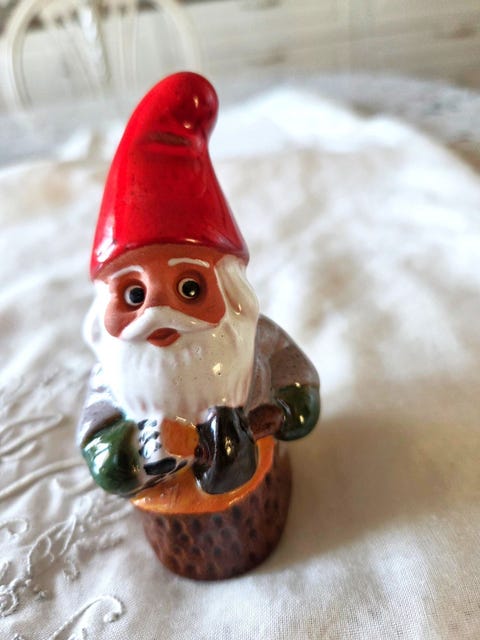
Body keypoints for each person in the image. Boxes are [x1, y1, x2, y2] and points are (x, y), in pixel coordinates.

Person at [77, 72, 320, 498]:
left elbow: (298, 387)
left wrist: (282, 411)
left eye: (190, 288)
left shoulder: (254, 339)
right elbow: (100, 446)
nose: (156, 312)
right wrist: (134, 453)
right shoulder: (113, 375)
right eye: (133, 294)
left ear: (232, 292)